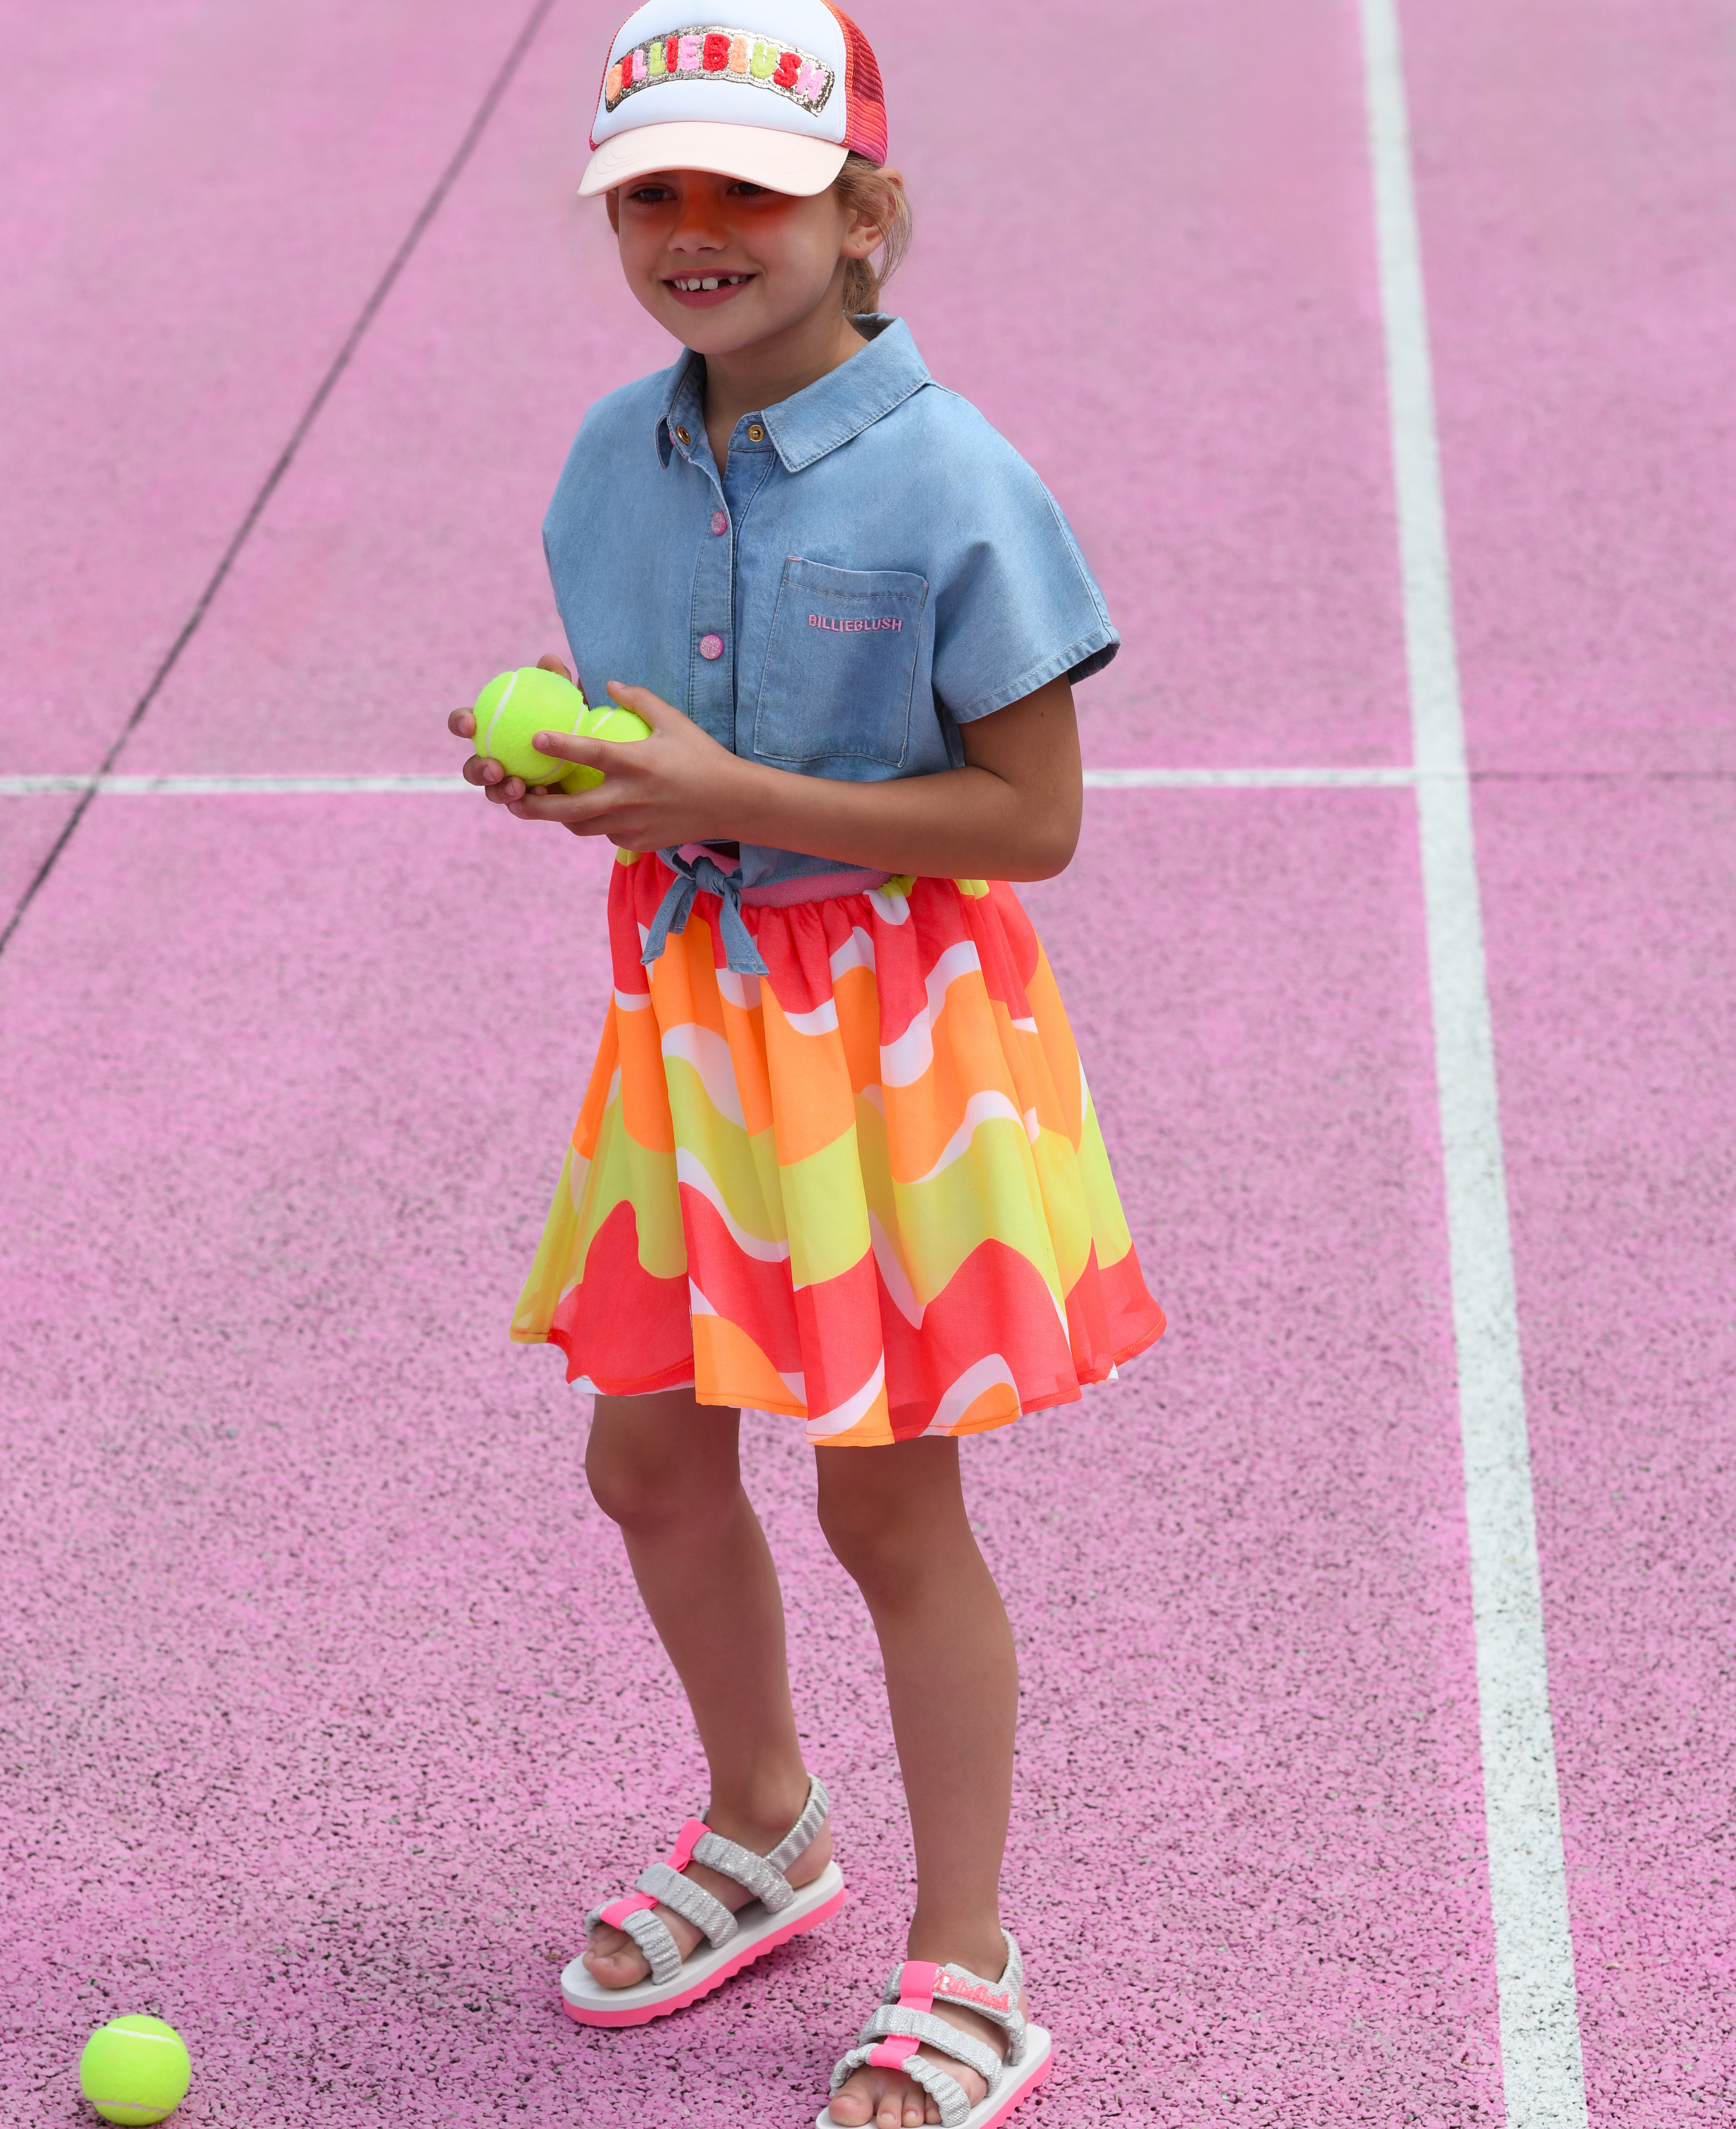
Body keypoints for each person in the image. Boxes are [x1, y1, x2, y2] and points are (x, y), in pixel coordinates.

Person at [448, 7, 1164, 2123]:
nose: (695, 231)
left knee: (886, 1501)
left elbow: (1030, 822)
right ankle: (767, 1823)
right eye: (651, 193)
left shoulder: (959, 477)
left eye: (747, 190)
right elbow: (664, 767)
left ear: (865, 215)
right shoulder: (606, 461)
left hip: (891, 1045)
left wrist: (733, 789)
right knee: (649, 1461)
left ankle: (975, 1960)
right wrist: (577, 782)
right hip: (693, 1024)